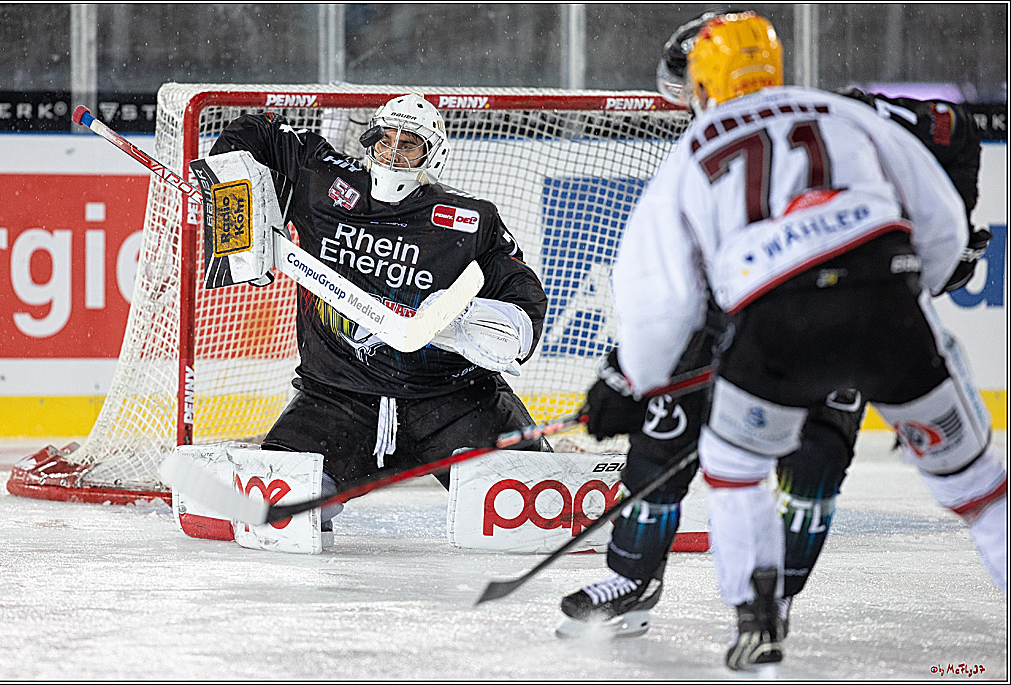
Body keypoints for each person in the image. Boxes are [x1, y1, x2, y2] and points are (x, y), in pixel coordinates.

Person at [579, 11, 1007, 672]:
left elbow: (658, 293)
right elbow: (942, 220)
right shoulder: (842, 111)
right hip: (884, 300)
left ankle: (758, 617)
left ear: (701, 82)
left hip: (775, 323)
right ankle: (687, 586)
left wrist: (633, 377)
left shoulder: (698, 147)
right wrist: (912, 280)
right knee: (980, 486)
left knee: (735, 465)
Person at [207, 93, 550, 544]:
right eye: (385, 140)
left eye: (409, 144)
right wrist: (230, 190)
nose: (392, 153)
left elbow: (523, 304)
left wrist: (466, 324)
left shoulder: (472, 220)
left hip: (455, 403)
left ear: (434, 155)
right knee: (271, 519)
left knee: (538, 514)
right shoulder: (321, 179)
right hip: (337, 401)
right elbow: (256, 133)